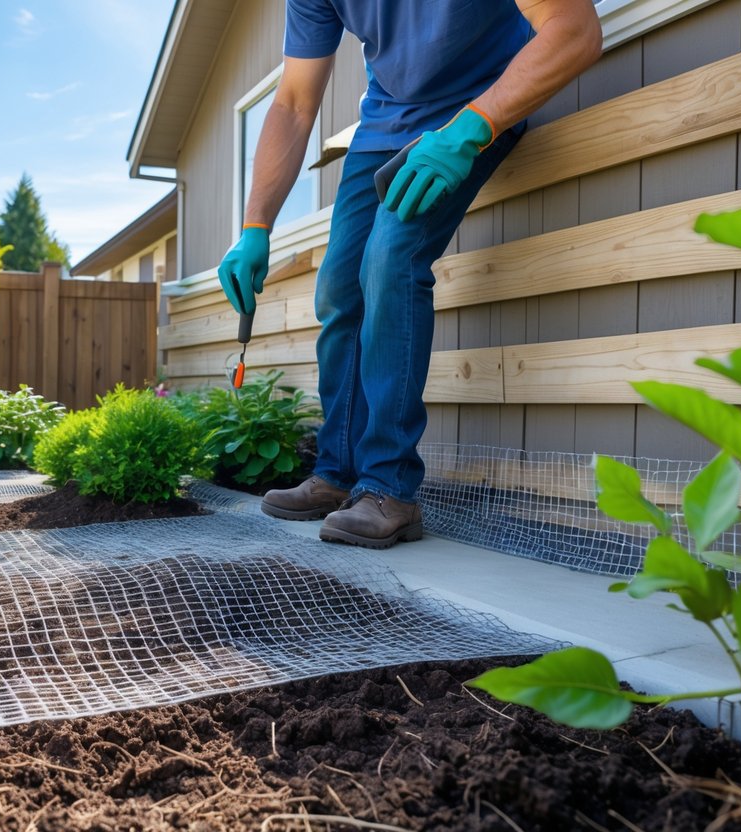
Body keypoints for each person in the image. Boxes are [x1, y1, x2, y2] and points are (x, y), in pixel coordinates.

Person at [218, 0, 602, 549]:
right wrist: (255, 226)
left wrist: (471, 129)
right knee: (337, 289)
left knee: (390, 261)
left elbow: (575, 30)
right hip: (380, 127)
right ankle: (339, 471)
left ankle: (389, 488)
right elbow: (295, 101)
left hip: (474, 109)